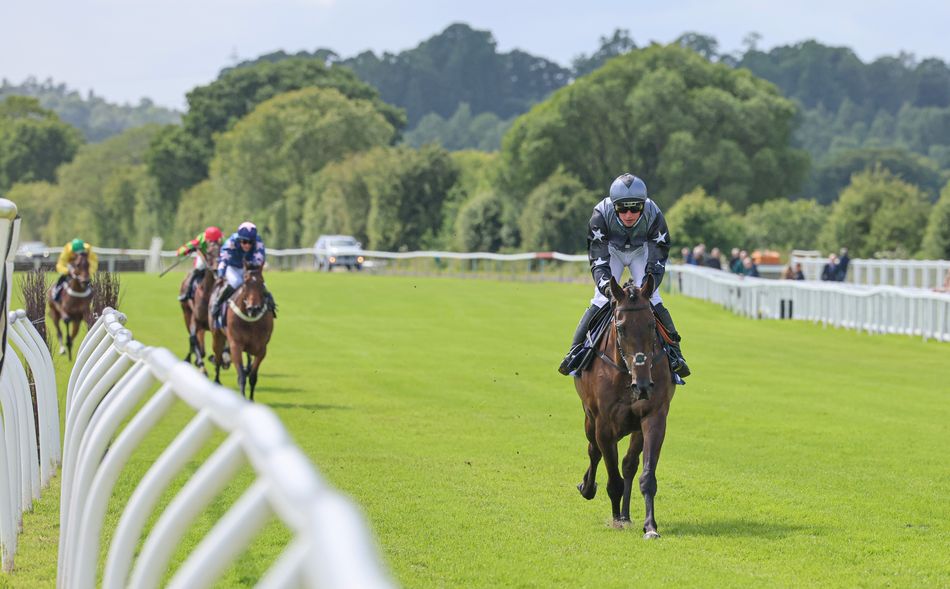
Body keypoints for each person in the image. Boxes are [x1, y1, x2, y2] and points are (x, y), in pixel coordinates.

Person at [558, 173, 690, 378]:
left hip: (641, 251)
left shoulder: (654, 215)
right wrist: (608, 289)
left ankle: (675, 354)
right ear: (614, 206)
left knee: (653, 297)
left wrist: (647, 286)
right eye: (622, 208)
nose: (629, 214)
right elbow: (598, 260)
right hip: (612, 250)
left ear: (643, 205)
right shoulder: (600, 215)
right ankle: (575, 350)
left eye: (635, 208)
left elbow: (657, 258)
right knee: (601, 298)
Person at [211, 221, 276, 326]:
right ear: (239, 239)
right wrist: (221, 274)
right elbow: (223, 261)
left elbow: (259, 259)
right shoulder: (230, 242)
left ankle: (271, 305)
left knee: (260, 284)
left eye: (251, 242)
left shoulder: (258, 242)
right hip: (233, 268)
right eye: (244, 242)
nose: (247, 245)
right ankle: (217, 304)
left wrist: (252, 270)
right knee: (237, 282)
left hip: (250, 268)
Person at [176, 226, 223, 302]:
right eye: (211, 242)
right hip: (204, 257)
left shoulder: (223, 240)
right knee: (199, 267)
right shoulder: (199, 240)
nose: (213, 244)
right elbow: (179, 252)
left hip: (217, 257)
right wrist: (189, 249)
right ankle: (187, 292)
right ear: (207, 240)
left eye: (216, 241)